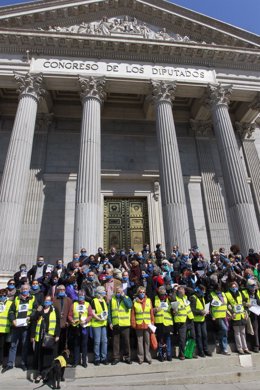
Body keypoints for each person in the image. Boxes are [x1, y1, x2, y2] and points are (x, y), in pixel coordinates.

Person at [2, 284, 37, 372]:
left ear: (29, 290)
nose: (25, 290)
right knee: (13, 345)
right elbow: (11, 311)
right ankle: (10, 364)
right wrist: (13, 320)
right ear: (21, 290)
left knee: (25, 346)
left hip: (26, 326)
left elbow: (36, 310)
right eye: (23, 289)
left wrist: (30, 316)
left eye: (26, 289)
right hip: (16, 326)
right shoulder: (16, 298)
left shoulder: (33, 298)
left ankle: (23, 363)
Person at [31, 295, 60, 383]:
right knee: (40, 356)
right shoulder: (40, 309)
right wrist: (32, 336)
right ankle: (39, 374)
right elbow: (33, 321)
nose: (46, 302)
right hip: (40, 336)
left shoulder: (55, 310)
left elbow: (58, 323)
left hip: (50, 336)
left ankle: (46, 374)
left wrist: (57, 335)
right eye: (45, 300)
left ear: (51, 302)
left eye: (48, 301)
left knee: (48, 356)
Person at [108, 285, 132, 365]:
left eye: (120, 292)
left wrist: (123, 297)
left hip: (125, 324)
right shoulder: (112, 299)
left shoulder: (127, 298)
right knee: (115, 342)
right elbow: (109, 312)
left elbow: (129, 306)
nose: (118, 293)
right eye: (117, 292)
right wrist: (110, 322)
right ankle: (116, 358)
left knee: (126, 342)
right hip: (116, 324)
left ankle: (127, 357)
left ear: (123, 292)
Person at [68, 290, 93, 367]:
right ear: (77, 296)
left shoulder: (87, 304)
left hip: (85, 327)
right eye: (79, 295)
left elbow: (90, 315)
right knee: (76, 344)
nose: (81, 297)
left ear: (84, 296)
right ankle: (75, 362)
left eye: (82, 296)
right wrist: (72, 320)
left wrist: (85, 321)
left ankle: (84, 362)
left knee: (84, 344)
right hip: (76, 327)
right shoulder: (74, 304)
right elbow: (70, 315)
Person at [225, 281, 250, 355]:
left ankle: (245, 348)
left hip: (242, 315)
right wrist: (231, 313)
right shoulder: (227, 294)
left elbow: (243, 304)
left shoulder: (240, 293)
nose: (234, 288)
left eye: (235, 287)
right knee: (237, 333)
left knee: (243, 333)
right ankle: (240, 349)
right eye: (233, 287)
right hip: (235, 316)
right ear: (230, 288)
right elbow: (227, 306)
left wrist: (246, 312)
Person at [131, 286, 154, 364]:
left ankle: (148, 357)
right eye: (140, 292)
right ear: (138, 293)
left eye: (143, 292)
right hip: (139, 324)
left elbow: (151, 313)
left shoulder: (148, 300)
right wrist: (133, 323)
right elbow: (133, 314)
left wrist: (152, 323)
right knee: (139, 342)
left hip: (147, 324)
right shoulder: (135, 302)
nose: (142, 294)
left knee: (147, 341)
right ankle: (140, 358)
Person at [190, 285, 212, 358]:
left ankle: (206, 349)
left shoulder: (202, 297)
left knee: (205, 335)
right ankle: (201, 351)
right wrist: (200, 312)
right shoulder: (193, 297)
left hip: (202, 319)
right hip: (196, 320)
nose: (204, 292)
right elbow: (192, 310)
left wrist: (206, 311)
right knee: (199, 336)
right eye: (203, 290)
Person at [153, 285, 173, 361]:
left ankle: (168, 354)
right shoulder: (155, 299)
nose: (163, 295)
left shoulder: (168, 299)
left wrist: (174, 310)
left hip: (167, 322)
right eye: (161, 294)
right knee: (160, 339)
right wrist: (155, 310)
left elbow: (172, 309)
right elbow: (151, 310)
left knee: (168, 339)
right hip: (159, 322)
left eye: (164, 294)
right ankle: (161, 355)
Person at [210, 284, 231, 355]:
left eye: (219, 289)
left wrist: (229, 313)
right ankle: (218, 340)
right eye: (217, 289)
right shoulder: (212, 295)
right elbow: (210, 307)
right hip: (217, 316)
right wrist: (212, 315)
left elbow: (225, 305)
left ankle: (224, 349)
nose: (218, 291)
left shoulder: (223, 294)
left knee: (225, 331)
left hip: (224, 315)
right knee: (224, 329)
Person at [91, 286, 109, 365]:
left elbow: (105, 311)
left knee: (104, 341)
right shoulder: (94, 301)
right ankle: (97, 358)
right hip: (96, 324)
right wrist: (98, 318)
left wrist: (105, 317)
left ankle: (104, 358)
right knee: (97, 342)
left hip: (103, 323)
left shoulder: (104, 301)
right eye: (103, 291)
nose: (105, 292)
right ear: (99, 293)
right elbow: (92, 312)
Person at [172, 285, 191, 360]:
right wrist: (175, 289)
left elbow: (192, 291)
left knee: (190, 337)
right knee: (182, 339)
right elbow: (172, 297)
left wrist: (185, 287)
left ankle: (188, 353)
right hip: (180, 321)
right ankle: (181, 354)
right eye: (181, 290)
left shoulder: (185, 297)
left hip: (188, 319)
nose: (183, 291)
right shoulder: (175, 297)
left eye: (183, 290)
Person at [241, 279, 260, 352]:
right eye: (252, 286)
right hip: (251, 313)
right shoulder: (244, 292)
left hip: (258, 311)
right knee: (254, 330)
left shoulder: (257, 292)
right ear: (248, 286)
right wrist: (246, 304)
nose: (254, 287)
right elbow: (241, 302)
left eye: (255, 285)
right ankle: (255, 346)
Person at [53, 285, 72, 353]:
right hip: (56, 324)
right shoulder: (54, 299)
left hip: (65, 324)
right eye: (60, 289)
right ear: (57, 290)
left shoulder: (68, 300)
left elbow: (70, 312)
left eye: (63, 290)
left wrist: (68, 322)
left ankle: (62, 359)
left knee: (64, 342)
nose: (62, 291)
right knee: (56, 342)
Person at [0, 289, 12, 367]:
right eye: (1, 295)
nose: (2, 297)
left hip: (6, 329)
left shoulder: (10, 303)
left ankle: (2, 362)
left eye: (4, 295)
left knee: (4, 346)